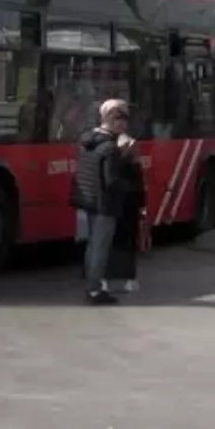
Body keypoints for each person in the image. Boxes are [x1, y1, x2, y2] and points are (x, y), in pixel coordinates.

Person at [71, 99, 131, 305]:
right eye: (121, 120)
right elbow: (111, 181)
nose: (124, 125)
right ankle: (95, 289)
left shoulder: (87, 140)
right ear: (114, 123)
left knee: (92, 245)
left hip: (88, 201)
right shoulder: (109, 148)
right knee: (100, 247)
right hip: (105, 204)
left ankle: (92, 284)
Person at [106, 132, 146, 293]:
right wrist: (142, 207)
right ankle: (129, 279)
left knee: (110, 243)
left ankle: (106, 280)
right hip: (130, 209)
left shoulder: (112, 164)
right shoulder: (134, 166)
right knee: (128, 245)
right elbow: (140, 189)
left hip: (114, 208)